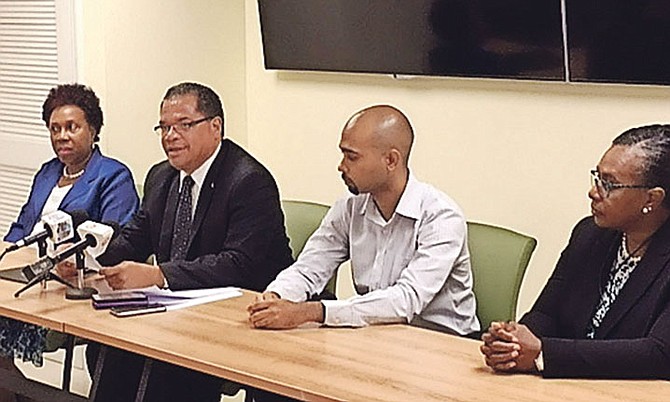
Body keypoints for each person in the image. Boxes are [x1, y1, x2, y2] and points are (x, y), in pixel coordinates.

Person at [76, 82, 293, 402]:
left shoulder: (248, 180)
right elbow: (136, 238)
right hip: (177, 307)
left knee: (162, 362)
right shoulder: (161, 176)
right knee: (108, 348)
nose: (170, 136)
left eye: (183, 125)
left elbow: (238, 264)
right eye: (163, 127)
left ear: (215, 126)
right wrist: (86, 255)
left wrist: (159, 275)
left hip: (240, 311)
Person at [247, 105, 480, 336]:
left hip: (443, 345)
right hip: (377, 336)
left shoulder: (441, 217)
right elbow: (310, 267)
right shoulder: (350, 207)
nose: (341, 166)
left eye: (352, 157)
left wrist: (311, 311)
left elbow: (406, 300)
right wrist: (277, 296)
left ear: (390, 160)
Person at [480, 124, 670, 379]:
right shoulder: (590, 234)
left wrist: (543, 354)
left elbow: (658, 354)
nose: (594, 192)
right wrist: (512, 342)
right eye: (597, 177)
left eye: (609, 185)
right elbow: (547, 314)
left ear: (652, 199)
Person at [0, 83, 139, 401]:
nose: (62, 136)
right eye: (55, 128)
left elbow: (115, 246)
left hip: (67, 288)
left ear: (93, 129)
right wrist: (7, 255)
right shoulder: (47, 173)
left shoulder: (113, 176)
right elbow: (23, 226)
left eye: (72, 127)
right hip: (23, 277)